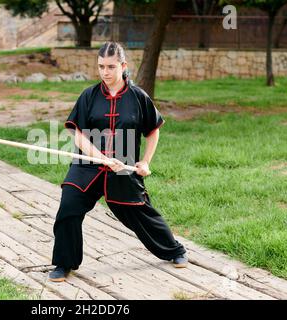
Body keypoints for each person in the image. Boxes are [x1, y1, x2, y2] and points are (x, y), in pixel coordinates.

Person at [49, 42, 187, 282]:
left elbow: (153, 130)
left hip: (123, 167)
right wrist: (101, 158)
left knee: (139, 213)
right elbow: (78, 134)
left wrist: (144, 161)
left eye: (111, 67)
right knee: (69, 206)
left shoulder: (137, 97)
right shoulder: (89, 96)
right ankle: (63, 263)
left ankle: (174, 250)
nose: (105, 72)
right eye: (101, 66)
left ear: (123, 66)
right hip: (87, 166)